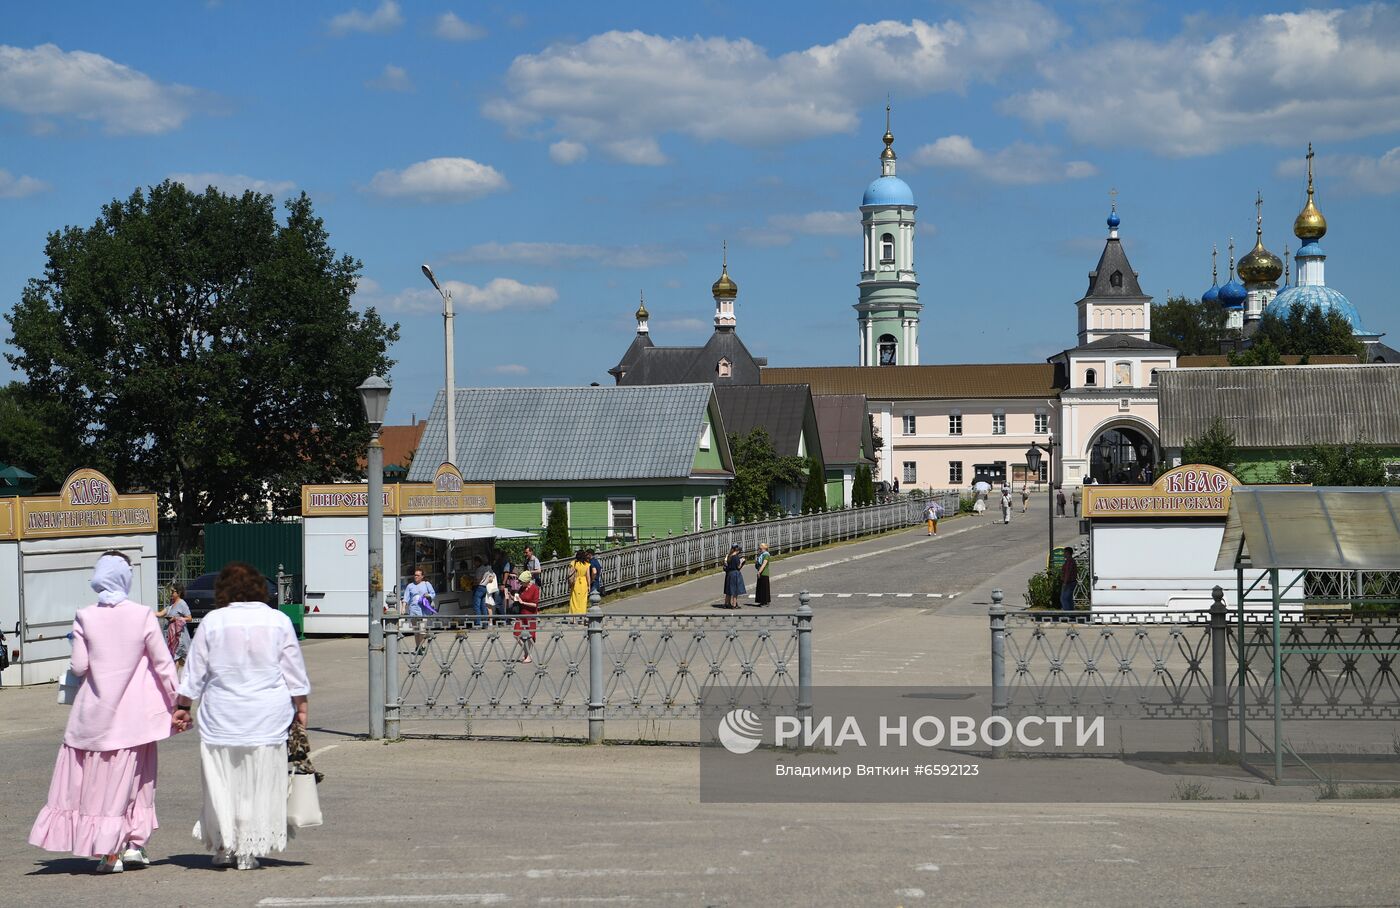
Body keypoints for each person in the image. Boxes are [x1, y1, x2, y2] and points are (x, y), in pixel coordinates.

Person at [29, 552, 180, 874]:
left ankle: (108, 853)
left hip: (94, 718)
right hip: (136, 720)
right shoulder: (142, 615)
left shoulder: (84, 616)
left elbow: (80, 666)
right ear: (125, 579)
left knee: (99, 786)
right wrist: (177, 704)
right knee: (138, 781)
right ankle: (134, 846)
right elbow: (163, 664)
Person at [174, 562, 310, 871]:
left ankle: (224, 845)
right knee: (258, 784)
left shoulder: (212, 621)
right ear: (259, 589)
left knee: (222, 783)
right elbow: (294, 671)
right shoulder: (278, 621)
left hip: (221, 718)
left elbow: (194, 673)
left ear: (222, 591)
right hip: (267, 718)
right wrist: (300, 705)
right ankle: (248, 849)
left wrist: (183, 706)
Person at [157, 581, 192, 669]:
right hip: (172, 636)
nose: (171, 593)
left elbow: (189, 618)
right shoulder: (171, 604)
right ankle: (179, 679)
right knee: (177, 658)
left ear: (179, 592)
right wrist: (147, 612)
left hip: (179, 636)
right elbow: (161, 614)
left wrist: (176, 619)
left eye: (173, 591)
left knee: (175, 658)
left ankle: (175, 680)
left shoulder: (182, 603)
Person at [402, 567, 435, 655]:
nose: (416, 576)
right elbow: (405, 598)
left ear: (422, 576)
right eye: (415, 575)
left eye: (418, 575)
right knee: (416, 631)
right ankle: (418, 647)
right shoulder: (410, 586)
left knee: (422, 630)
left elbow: (433, 594)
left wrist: (428, 595)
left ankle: (420, 646)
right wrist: (403, 608)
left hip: (424, 611)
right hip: (413, 611)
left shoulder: (426, 584)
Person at [512, 570, 540, 662]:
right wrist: (512, 597)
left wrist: (523, 602)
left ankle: (528, 656)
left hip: (531, 615)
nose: (520, 584)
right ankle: (527, 653)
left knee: (530, 636)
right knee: (516, 634)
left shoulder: (535, 588)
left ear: (527, 581)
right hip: (521, 614)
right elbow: (518, 599)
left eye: (522, 582)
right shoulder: (522, 588)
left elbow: (535, 605)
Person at [567, 550, 591, 615]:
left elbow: (570, 573)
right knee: (583, 600)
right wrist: (589, 586)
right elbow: (588, 576)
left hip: (575, 582)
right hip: (584, 583)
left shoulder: (573, 563)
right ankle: (582, 616)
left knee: (574, 600)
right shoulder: (587, 564)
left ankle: (573, 618)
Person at [722, 544, 746, 609]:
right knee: (735, 590)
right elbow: (738, 567)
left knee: (729, 590)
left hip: (729, 574)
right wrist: (742, 562)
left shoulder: (729, 556)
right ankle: (734, 604)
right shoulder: (736, 557)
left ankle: (726, 604)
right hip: (735, 574)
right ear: (737, 550)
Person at [1059, 547, 1078, 612]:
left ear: (1068, 553)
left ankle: (1068, 614)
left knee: (1064, 599)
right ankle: (1071, 614)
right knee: (1069, 598)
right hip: (1070, 582)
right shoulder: (1070, 561)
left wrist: (1064, 583)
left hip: (1068, 583)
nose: (1063, 554)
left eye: (1064, 552)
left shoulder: (1069, 561)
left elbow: (1068, 573)